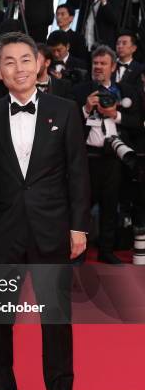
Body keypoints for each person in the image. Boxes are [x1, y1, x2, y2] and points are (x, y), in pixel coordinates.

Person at [0, 32, 90, 390]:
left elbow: (78, 174)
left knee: (57, 316)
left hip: (52, 228)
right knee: (0, 316)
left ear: (40, 63)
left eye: (25, 59)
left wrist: (79, 227)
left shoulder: (64, 110)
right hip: (2, 231)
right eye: (8, 62)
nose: (18, 68)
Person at [72, 45, 142, 263]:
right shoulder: (80, 90)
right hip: (87, 157)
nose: (98, 67)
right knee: (82, 206)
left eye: (103, 64)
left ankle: (106, 250)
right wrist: (85, 108)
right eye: (95, 63)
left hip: (114, 156)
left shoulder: (127, 90)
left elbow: (137, 123)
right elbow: (70, 125)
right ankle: (78, 251)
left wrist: (115, 114)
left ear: (113, 67)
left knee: (110, 206)